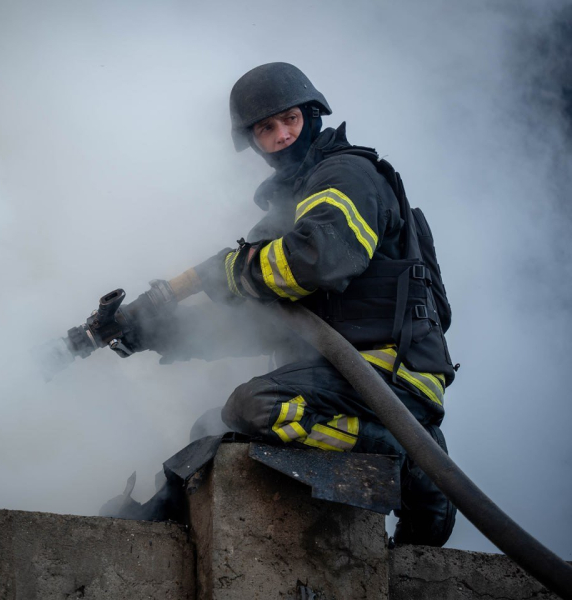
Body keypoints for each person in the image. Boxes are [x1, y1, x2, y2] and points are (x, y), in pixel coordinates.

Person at [170, 62, 457, 547]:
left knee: (256, 404)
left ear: (313, 114)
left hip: (388, 375)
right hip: (343, 376)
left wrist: (231, 270)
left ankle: (409, 461)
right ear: (254, 142)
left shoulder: (346, 174)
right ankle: (156, 523)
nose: (282, 136)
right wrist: (154, 331)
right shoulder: (295, 203)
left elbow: (316, 261)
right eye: (266, 128)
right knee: (210, 429)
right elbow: (245, 315)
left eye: (290, 121)